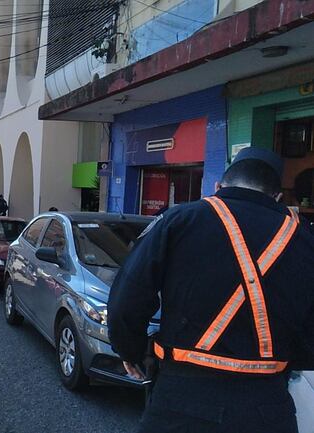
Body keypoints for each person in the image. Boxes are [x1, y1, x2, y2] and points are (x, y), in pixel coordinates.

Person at [108, 147, 314, 433]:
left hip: (182, 398)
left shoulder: (180, 220)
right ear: (277, 197)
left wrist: (129, 351)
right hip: (266, 405)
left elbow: (127, 297)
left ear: (218, 186)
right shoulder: (304, 238)